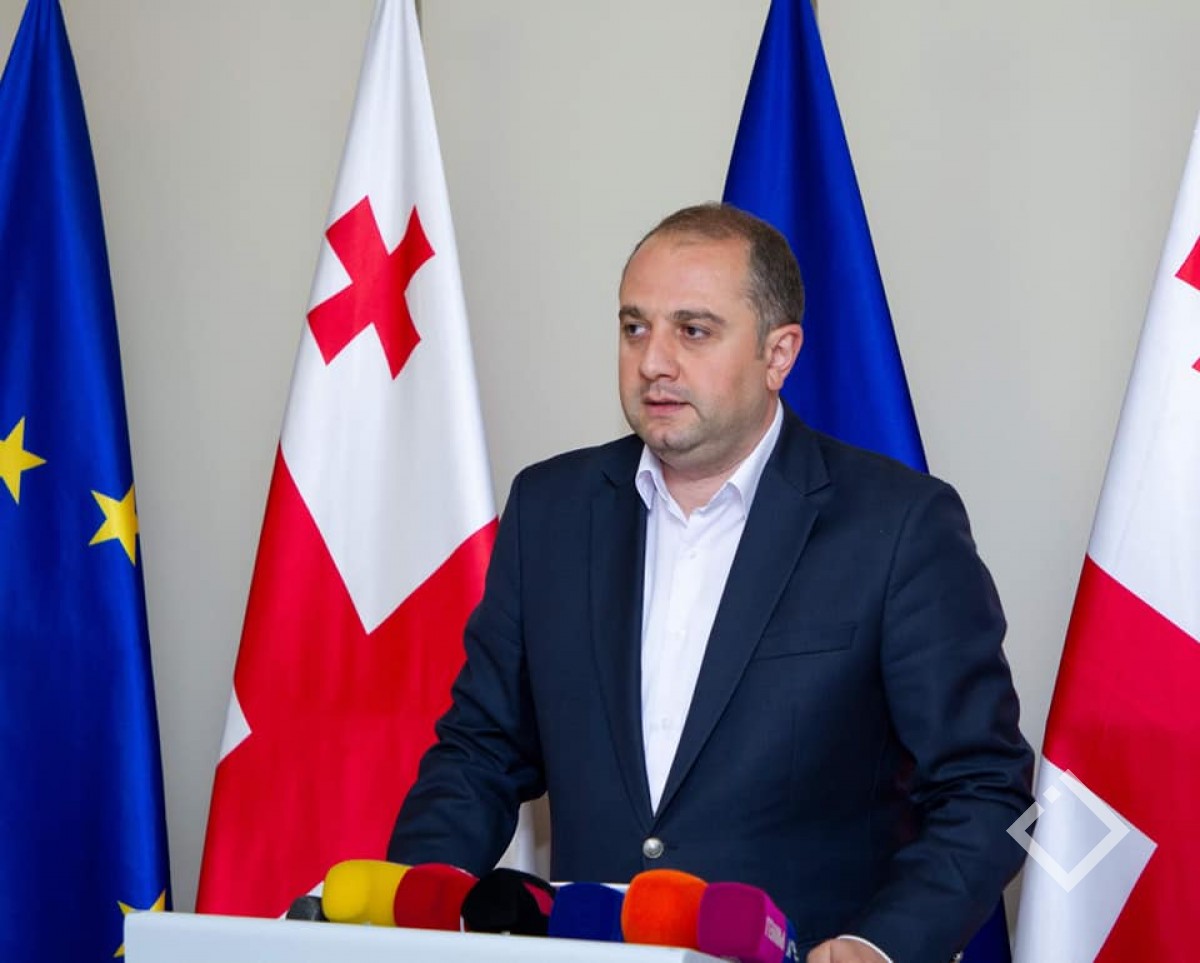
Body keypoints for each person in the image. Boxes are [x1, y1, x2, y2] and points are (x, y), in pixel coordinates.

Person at [389, 203, 1033, 963]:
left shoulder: (897, 526)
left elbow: (988, 788)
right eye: (635, 327)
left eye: (692, 331)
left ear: (778, 353)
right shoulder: (550, 509)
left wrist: (879, 944)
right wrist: (414, 905)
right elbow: (479, 751)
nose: (653, 362)